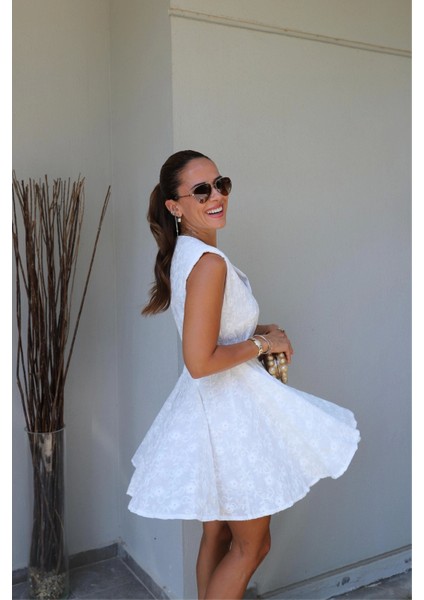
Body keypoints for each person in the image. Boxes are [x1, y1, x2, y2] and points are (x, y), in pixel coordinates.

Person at [127, 150, 360, 600]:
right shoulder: (208, 263)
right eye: (201, 190)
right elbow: (200, 361)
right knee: (251, 546)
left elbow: (209, 329)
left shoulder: (189, 254)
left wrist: (260, 331)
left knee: (217, 534)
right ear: (175, 206)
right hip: (229, 417)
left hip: (210, 412)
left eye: (221, 184)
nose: (216, 196)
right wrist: (263, 345)